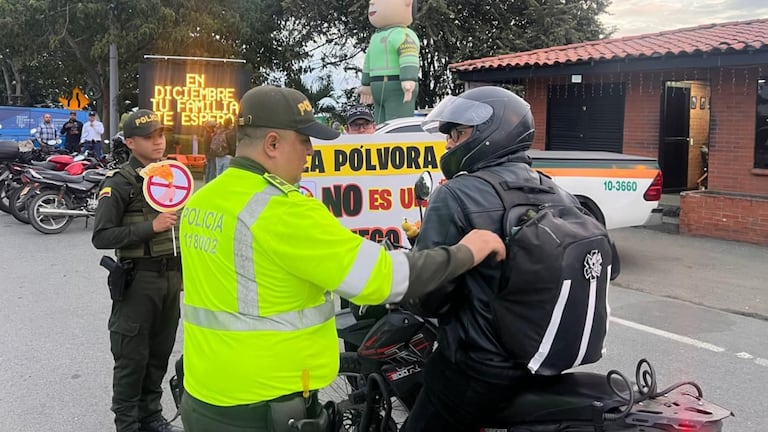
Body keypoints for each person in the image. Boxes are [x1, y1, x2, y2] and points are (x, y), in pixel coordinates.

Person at [178, 85, 506, 432]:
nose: (310, 150)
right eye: (303, 139)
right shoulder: (282, 211)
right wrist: (469, 250)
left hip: (204, 395)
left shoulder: (204, 201)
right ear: (272, 144)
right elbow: (381, 280)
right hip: (264, 405)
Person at [401, 86, 608, 431]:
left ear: (489, 134)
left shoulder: (456, 194)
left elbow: (428, 297)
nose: (450, 144)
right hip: (540, 362)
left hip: (477, 370)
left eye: (458, 133)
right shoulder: (558, 193)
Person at [92, 109, 183, 432]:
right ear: (130, 142)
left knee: (159, 353)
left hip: (171, 278)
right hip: (138, 280)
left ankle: (151, 415)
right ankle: (128, 425)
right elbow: (101, 236)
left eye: (161, 135)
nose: (158, 142)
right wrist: (150, 227)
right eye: (149, 137)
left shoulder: (173, 178)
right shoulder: (120, 183)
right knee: (132, 358)